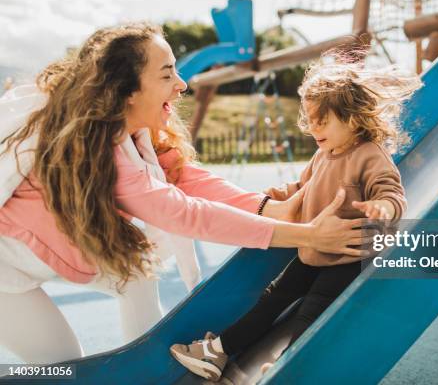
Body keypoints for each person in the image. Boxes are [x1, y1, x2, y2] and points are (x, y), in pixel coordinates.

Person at [0, 23, 371, 364]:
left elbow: (186, 178)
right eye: (166, 75)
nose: (182, 84)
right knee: (62, 366)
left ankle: (145, 371)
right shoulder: (105, 153)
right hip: (5, 277)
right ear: (128, 91)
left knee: (135, 275)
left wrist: (274, 209)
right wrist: (308, 235)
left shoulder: (131, 133)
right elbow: (187, 213)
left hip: (47, 252)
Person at [170, 54, 422, 381]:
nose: (313, 127)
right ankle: (219, 351)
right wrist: (270, 198)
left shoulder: (370, 155)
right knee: (272, 299)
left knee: (311, 311)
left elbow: (391, 192)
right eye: (311, 119)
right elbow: (301, 188)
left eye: (323, 120)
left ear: (352, 119)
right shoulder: (323, 154)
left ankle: (288, 368)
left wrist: (383, 208)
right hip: (313, 250)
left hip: (349, 256)